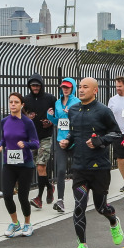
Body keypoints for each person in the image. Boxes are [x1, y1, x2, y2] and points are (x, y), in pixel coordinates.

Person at [58, 77, 123, 248]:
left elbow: (116, 133)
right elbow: (73, 132)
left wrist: (99, 141)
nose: (81, 90)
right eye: (80, 87)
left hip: (99, 167)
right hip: (79, 167)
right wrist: (67, 141)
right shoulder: (73, 110)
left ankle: (113, 220)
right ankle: (82, 246)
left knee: (101, 207)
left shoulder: (103, 111)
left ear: (95, 90)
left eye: (85, 87)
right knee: (79, 206)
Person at [0, 92, 39, 237]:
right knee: (7, 194)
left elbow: (36, 143)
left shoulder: (27, 122)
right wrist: (0, 146)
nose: (13, 104)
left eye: (16, 102)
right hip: (9, 164)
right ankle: (15, 223)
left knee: (22, 196)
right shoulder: (4, 121)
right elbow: (4, 139)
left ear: (22, 105)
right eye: (11, 102)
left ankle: (27, 223)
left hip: (25, 165)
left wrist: (25, 144)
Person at [46, 78, 81, 213]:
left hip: (74, 140)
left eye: (68, 87)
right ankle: (60, 200)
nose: (65, 89)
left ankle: (81, 195)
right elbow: (58, 121)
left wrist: (70, 114)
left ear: (73, 88)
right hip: (60, 140)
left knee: (77, 170)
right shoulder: (57, 103)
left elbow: (80, 120)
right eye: (63, 87)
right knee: (60, 170)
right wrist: (50, 116)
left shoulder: (77, 102)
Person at [23, 74, 56, 209]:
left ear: (41, 85)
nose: (35, 88)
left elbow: (57, 115)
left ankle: (39, 198)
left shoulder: (50, 99)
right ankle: (49, 186)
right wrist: (27, 117)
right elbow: (21, 116)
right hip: (32, 138)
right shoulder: (26, 100)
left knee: (41, 166)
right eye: (33, 85)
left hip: (45, 137)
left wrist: (50, 122)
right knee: (37, 167)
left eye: (37, 85)